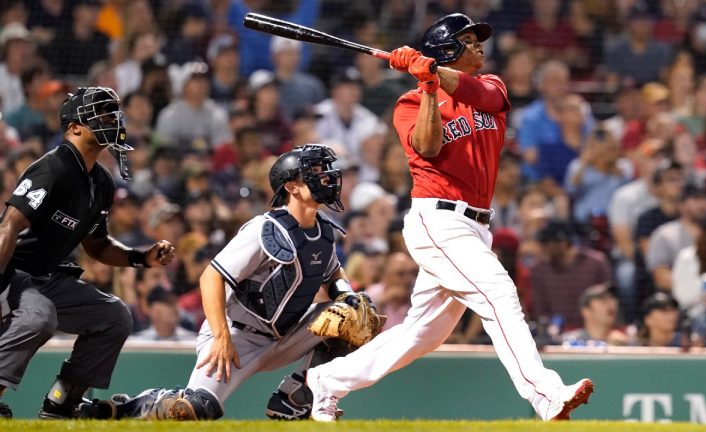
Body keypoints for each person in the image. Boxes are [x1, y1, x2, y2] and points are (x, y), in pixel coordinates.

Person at [305, 13, 593, 423]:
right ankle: (545, 394)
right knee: (498, 292)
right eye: (468, 39)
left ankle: (328, 381)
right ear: (446, 48)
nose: (479, 45)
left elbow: (480, 92)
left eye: (478, 39)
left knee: (423, 333)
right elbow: (427, 145)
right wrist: (426, 86)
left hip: (477, 226)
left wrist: (434, 73)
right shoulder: (409, 104)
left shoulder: (492, 86)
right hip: (437, 219)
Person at [82, 144, 368, 421]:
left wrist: (346, 296)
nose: (326, 176)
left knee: (356, 311)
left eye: (324, 170)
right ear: (291, 186)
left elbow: (333, 276)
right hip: (238, 334)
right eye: (315, 171)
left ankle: (296, 398)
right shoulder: (265, 229)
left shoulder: (323, 229)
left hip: (287, 333)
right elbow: (211, 277)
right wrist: (221, 337)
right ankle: (129, 408)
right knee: (194, 408)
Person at [0, 87, 176, 419]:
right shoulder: (53, 167)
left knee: (113, 316)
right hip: (14, 272)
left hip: (47, 278)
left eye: (113, 113)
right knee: (40, 316)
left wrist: (140, 258)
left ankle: (62, 401)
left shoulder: (102, 181)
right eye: (102, 114)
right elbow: (8, 226)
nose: (112, 119)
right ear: (74, 127)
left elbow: (97, 246)